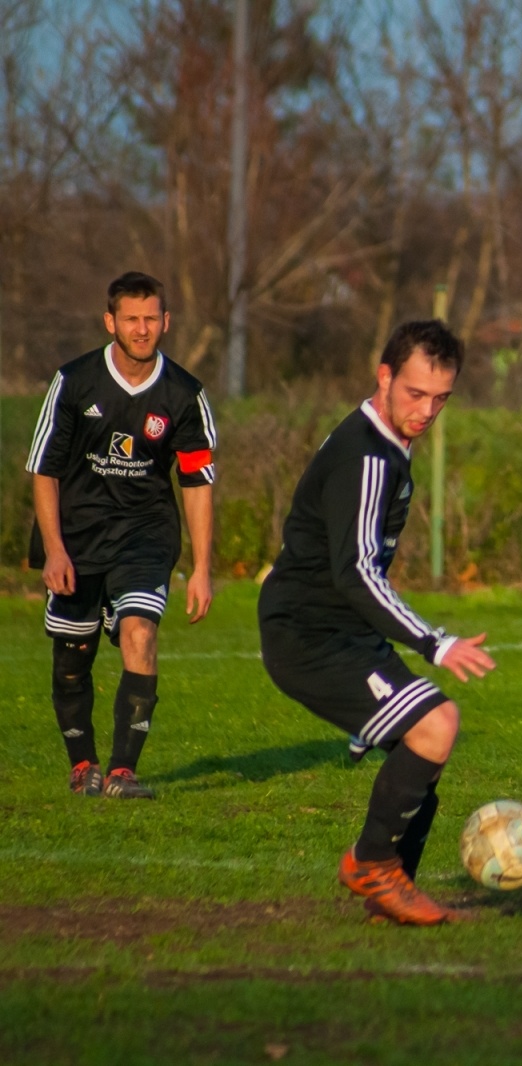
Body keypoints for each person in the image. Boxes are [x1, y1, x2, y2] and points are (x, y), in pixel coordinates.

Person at [258, 320, 495, 925]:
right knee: (437, 724)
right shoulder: (368, 456)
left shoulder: (387, 444)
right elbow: (357, 573)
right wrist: (433, 643)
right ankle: (371, 865)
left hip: (341, 629)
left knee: (423, 749)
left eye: (441, 398)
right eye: (415, 393)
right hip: (308, 632)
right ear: (384, 376)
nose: (426, 410)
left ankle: (390, 893)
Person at [24, 271, 216, 800]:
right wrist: (55, 549)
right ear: (111, 321)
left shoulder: (184, 394)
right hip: (78, 535)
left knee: (139, 632)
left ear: (166, 321)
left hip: (145, 535)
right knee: (73, 654)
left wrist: (201, 567)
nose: (141, 328)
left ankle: (122, 773)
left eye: (151, 318)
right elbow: (45, 470)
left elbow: (197, 482)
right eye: (131, 318)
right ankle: (82, 765)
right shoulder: (74, 381)